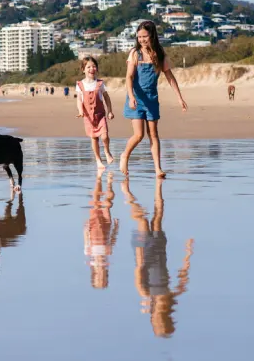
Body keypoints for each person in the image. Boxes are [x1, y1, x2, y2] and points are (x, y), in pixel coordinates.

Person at [122, 178, 194, 338]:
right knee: (158, 215)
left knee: (142, 218)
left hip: (144, 250)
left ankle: (126, 192)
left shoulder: (146, 293)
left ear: (154, 316)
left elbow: (139, 269)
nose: (160, 314)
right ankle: (158, 186)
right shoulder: (172, 295)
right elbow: (183, 274)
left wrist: (141, 251)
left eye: (158, 319)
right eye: (163, 318)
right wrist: (188, 251)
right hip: (160, 248)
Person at [119, 21, 188, 177]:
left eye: (145, 36)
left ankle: (157, 168)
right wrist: (130, 97)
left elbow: (170, 77)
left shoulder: (160, 54)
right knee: (138, 135)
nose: (142, 40)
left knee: (154, 134)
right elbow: (129, 77)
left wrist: (180, 98)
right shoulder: (135, 53)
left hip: (151, 99)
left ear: (152, 36)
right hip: (136, 98)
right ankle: (125, 155)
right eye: (139, 37)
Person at [75, 56, 115, 170]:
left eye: (93, 66)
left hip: (100, 114)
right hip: (88, 116)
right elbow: (79, 99)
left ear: (96, 68)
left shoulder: (100, 83)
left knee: (105, 135)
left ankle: (107, 152)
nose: (91, 68)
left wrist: (110, 111)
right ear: (83, 69)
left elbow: (106, 97)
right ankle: (98, 160)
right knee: (94, 138)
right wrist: (80, 111)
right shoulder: (80, 84)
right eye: (88, 67)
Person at [84, 172, 119, 289]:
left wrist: (85, 228)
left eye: (99, 278)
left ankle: (98, 180)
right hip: (107, 225)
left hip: (93, 226)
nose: (101, 275)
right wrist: (116, 228)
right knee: (107, 205)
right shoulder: (108, 254)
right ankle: (109, 183)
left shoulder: (89, 255)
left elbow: (86, 240)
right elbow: (112, 240)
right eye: (102, 278)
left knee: (95, 203)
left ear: (94, 274)